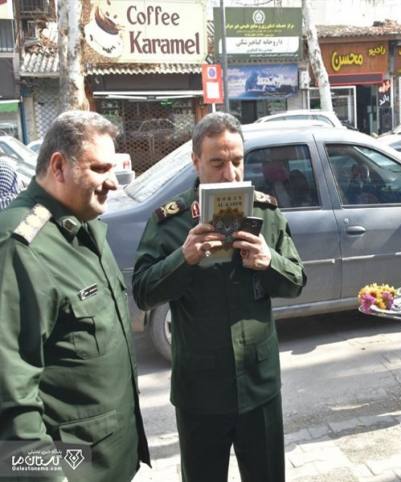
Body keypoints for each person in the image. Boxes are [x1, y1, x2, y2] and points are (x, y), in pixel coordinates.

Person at [132, 112, 306, 482]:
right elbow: (144, 292)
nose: (230, 174)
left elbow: (295, 281)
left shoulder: (265, 212)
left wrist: (268, 260)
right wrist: (184, 258)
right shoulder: (171, 221)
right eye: (217, 163)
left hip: (258, 388)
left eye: (237, 161)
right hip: (200, 393)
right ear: (195, 162)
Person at [0, 111, 150, 480]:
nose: (112, 183)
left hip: (109, 461)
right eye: (99, 169)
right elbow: (10, 400)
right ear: (58, 167)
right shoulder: (20, 249)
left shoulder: (84, 225)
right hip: (74, 469)